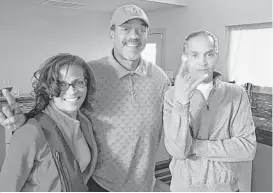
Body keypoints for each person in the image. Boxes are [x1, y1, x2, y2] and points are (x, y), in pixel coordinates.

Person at [0, 5, 170, 192]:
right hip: (99, 184)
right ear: (112, 33)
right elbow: (57, 106)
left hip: (143, 185)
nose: (134, 35)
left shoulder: (160, 78)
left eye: (141, 30)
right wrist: (27, 120)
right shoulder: (93, 71)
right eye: (126, 28)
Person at [163, 30, 257, 192]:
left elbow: (247, 148)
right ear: (185, 57)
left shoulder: (236, 94)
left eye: (209, 54)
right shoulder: (172, 95)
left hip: (226, 188)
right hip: (184, 188)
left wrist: (193, 147)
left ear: (217, 56)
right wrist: (182, 103)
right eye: (194, 55)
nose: (202, 62)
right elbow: (178, 150)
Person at [0, 53, 98, 191]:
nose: (72, 90)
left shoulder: (84, 123)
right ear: (49, 89)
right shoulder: (31, 132)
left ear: (86, 84)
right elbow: (6, 188)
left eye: (78, 82)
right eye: (61, 84)